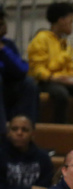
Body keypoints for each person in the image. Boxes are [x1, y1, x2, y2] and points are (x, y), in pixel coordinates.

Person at [27, 2, 73, 124]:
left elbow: (69, 67)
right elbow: (37, 70)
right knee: (61, 94)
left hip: (63, 81)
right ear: (61, 20)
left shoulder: (65, 43)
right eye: (71, 22)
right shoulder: (41, 39)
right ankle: (59, 128)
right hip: (46, 81)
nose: (72, 26)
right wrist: (54, 78)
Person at [0, 6, 38, 134]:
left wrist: (3, 50)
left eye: (3, 23)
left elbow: (22, 69)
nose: (4, 26)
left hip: (7, 89)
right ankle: (3, 132)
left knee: (29, 83)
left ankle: (24, 128)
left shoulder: (7, 44)